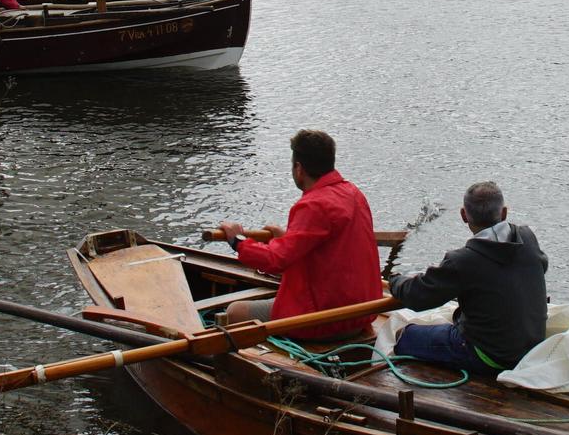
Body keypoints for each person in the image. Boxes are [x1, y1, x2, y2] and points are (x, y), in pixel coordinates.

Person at [214, 130, 382, 339]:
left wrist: (237, 241)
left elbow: (275, 260)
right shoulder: (353, 193)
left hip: (328, 320)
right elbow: (326, 245)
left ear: (299, 168)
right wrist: (285, 237)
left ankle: (258, 362)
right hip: (362, 312)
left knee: (235, 312)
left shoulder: (313, 204)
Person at [391, 181, 548, 377]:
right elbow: (542, 266)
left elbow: (418, 296)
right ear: (504, 213)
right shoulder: (527, 237)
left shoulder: (463, 261)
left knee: (403, 336)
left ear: (464, 215)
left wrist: (394, 281)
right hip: (531, 347)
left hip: (490, 357)